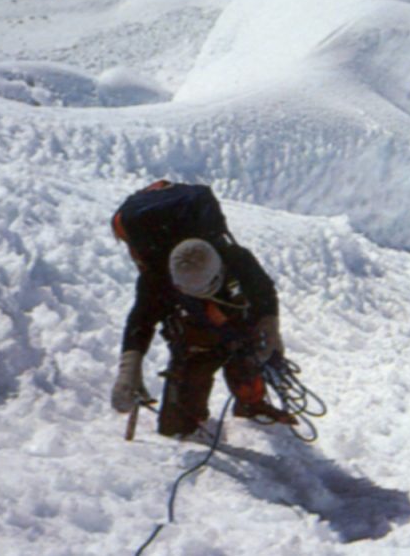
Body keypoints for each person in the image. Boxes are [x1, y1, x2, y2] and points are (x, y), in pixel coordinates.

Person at [110, 187, 295, 437]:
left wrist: (269, 328)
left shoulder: (235, 258)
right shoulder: (156, 277)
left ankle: (251, 402)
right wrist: (129, 369)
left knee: (247, 351)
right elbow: (140, 321)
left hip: (236, 324)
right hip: (194, 333)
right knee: (175, 428)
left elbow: (264, 292)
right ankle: (190, 418)